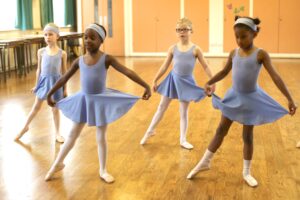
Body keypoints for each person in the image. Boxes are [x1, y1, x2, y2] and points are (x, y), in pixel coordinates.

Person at [187, 16, 297, 187]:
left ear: (254, 34)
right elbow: (224, 72)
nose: (239, 40)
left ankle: (246, 171)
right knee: (220, 129)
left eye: (243, 36)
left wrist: (289, 98)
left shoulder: (260, 54)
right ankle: (205, 161)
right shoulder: (233, 53)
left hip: (251, 99)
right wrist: (210, 81)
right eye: (236, 36)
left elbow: (275, 77)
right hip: (234, 96)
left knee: (247, 136)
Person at [44, 23, 151, 183]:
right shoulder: (79, 60)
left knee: (101, 136)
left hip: (101, 100)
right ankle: (57, 163)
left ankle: (103, 170)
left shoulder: (106, 58)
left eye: (92, 38)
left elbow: (127, 71)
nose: (87, 40)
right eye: (85, 37)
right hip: (84, 100)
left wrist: (146, 85)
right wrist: (50, 93)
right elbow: (64, 78)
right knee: (73, 134)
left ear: (101, 41)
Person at [140, 17, 215, 149]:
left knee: (183, 111)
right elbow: (164, 66)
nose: (182, 32)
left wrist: (212, 81)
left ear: (191, 31)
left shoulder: (196, 49)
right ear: (176, 31)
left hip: (186, 83)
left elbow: (206, 66)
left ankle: (183, 139)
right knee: (161, 107)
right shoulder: (172, 49)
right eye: (179, 29)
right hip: (172, 80)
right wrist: (155, 79)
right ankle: (149, 131)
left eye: (185, 29)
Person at [15, 23, 67, 143]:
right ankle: (25, 127)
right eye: (45, 35)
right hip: (43, 82)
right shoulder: (41, 52)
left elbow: (64, 73)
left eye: (50, 34)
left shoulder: (62, 54)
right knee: (36, 107)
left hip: (56, 84)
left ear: (57, 36)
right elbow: (39, 69)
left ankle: (58, 133)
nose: (47, 37)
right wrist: (36, 85)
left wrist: (65, 89)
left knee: (55, 109)